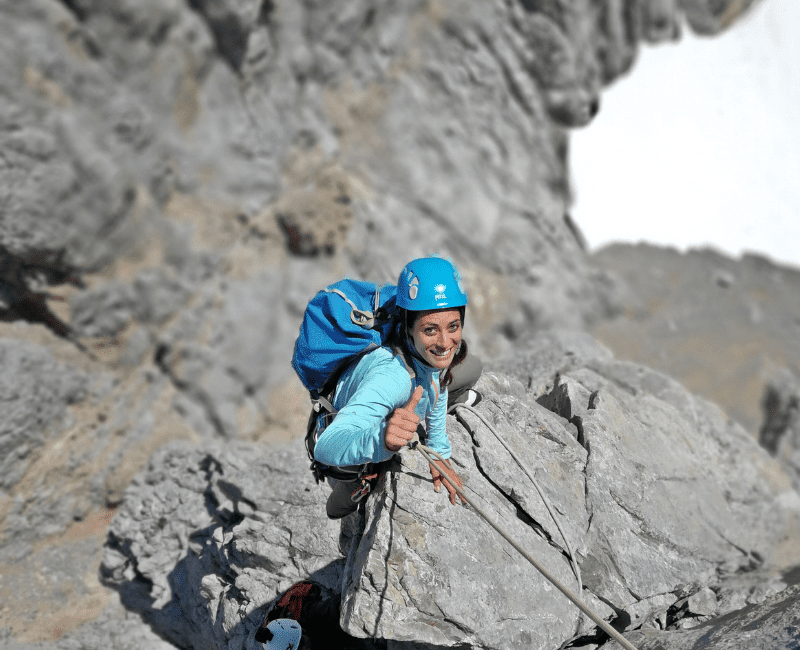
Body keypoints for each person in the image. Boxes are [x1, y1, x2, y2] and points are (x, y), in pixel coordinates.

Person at [313, 256, 483, 519]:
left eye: (454, 326)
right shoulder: (393, 379)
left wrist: (437, 448)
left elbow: (436, 377)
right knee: (337, 509)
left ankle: (406, 421)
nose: (445, 342)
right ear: (408, 328)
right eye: (430, 330)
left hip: (395, 397)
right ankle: (358, 477)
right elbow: (325, 447)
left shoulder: (426, 354)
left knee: (472, 367)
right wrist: (381, 439)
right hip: (356, 427)